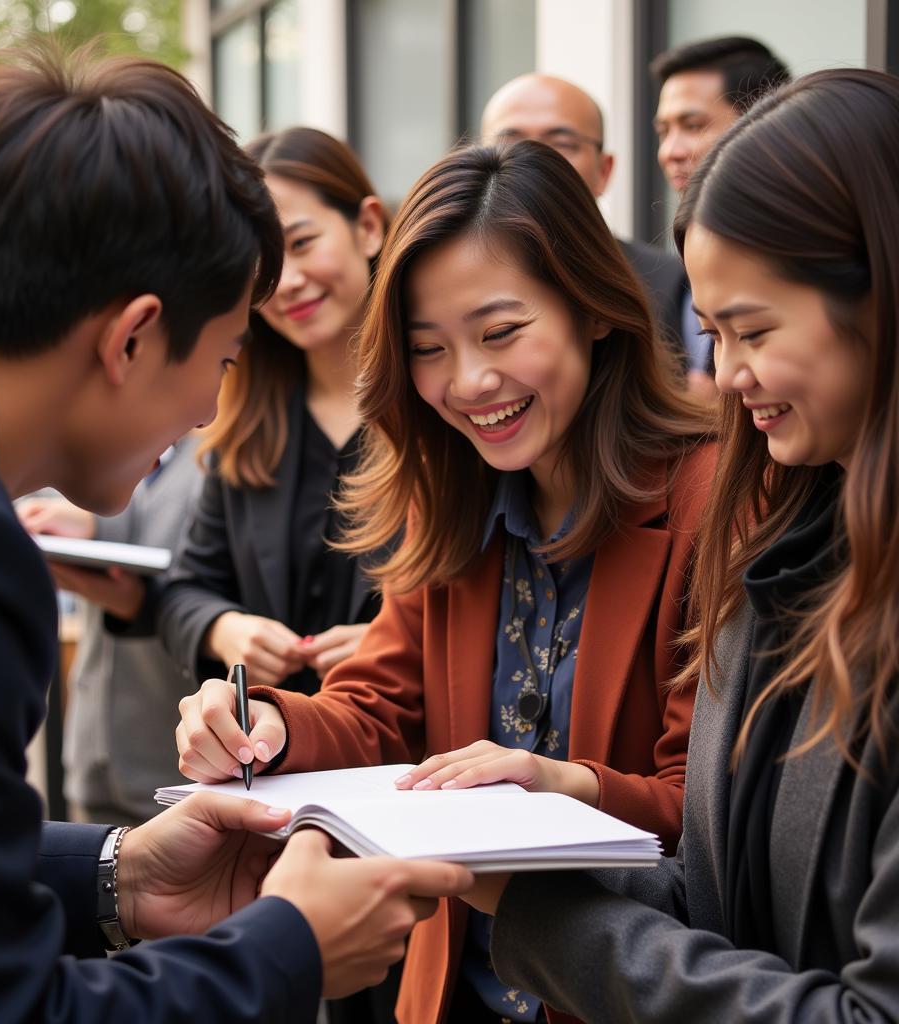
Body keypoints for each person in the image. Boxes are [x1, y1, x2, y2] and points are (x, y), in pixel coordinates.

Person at [0, 41, 473, 1023]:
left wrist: (112, 869)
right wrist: (284, 948)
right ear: (133, 337)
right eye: (229, 354)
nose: (206, 411)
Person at [176, 139, 715, 1023]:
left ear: (592, 308)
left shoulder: (709, 499)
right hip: (454, 988)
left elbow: (706, 809)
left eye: (501, 332)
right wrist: (266, 724)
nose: (469, 382)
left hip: (625, 985)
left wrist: (557, 781)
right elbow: (376, 709)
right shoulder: (452, 496)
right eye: (428, 349)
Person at [464, 68, 899, 1022]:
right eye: (712, 335)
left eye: (753, 331)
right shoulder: (776, 564)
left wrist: (551, 917)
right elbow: (723, 903)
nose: (729, 377)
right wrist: (525, 862)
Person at [158, 127, 391, 698]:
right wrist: (225, 629)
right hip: (276, 763)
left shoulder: (449, 409)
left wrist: (397, 647)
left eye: (303, 243)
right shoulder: (247, 423)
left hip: (418, 768)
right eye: (265, 263)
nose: (286, 282)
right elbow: (185, 588)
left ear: (367, 226)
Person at [18, 432, 204, 826]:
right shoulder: (124, 447)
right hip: (95, 756)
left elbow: (201, 580)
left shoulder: (218, 456)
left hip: (173, 764)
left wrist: (98, 533)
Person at [481, 72, 687, 364]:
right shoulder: (440, 277)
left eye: (562, 143)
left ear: (603, 171)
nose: (533, 159)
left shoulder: (665, 283)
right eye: (510, 141)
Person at [651, 35, 790, 398]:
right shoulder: (671, 273)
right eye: (663, 131)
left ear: (760, 123)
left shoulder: (804, 255)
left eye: (693, 125)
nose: (670, 151)